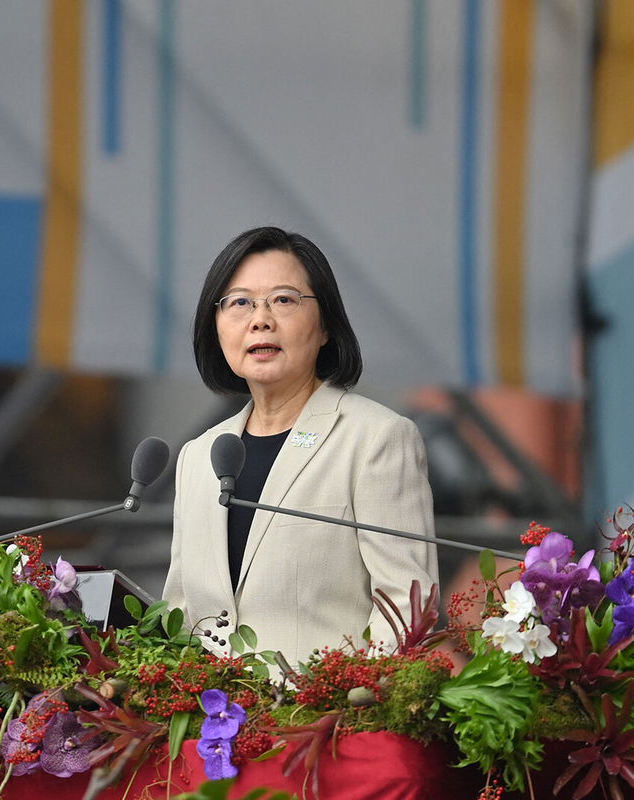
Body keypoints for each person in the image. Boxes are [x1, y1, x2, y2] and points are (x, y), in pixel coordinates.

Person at [162, 226, 439, 666]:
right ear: (215, 326)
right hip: (212, 727)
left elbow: (406, 608)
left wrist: (357, 709)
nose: (260, 319)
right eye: (239, 302)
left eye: (284, 299)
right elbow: (180, 614)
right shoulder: (199, 456)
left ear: (326, 324)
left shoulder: (375, 438)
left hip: (323, 723)